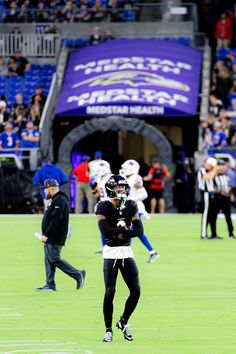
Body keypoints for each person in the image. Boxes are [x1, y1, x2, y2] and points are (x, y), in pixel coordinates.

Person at [95, 174, 143, 342]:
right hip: (111, 253)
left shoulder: (131, 204)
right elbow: (105, 232)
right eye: (118, 188)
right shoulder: (103, 206)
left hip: (126, 251)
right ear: (110, 189)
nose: (121, 190)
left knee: (136, 290)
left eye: (123, 187)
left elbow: (140, 231)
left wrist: (121, 232)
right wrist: (125, 231)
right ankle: (108, 329)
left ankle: (123, 321)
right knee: (110, 292)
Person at [36, 179, 86, 291]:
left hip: (54, 236)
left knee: (54, 259)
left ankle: (78, 274)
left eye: (45, 189)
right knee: (48, 259)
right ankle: (50, 285)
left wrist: (46, 234)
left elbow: (55, 220)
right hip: (51, 236)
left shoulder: (59, 200)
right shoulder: (56, 200)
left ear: (51, 188)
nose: (44, 191)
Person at [120, 159, 160, 263]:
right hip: (131, 208)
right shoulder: (127, 178)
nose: (123, 170)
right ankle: (152, 252)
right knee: (136, 231)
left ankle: (126, 253)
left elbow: (144, 194)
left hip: (135, 209)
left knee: (130, 230)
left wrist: (131, 201)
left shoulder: (136, 178)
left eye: (125, 168)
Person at [197, 157, 222, 240]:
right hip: (206, 193)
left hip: (212, 194)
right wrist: (215, 170)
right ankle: (203, 234)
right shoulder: (202, 169)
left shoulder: (210, 170)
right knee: (205, 214)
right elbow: (207, 177)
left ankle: (213, 233)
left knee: (213, 214)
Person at [213, 161, 235, 239]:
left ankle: (231, 233)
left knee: (228, 216)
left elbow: (230, 186)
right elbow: (211, 187)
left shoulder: (227, 176)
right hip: (217, 197)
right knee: (214, 216)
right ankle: (214, 234)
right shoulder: (214, 176)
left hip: (225, 198)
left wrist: (231, 194)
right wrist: (219, 191)